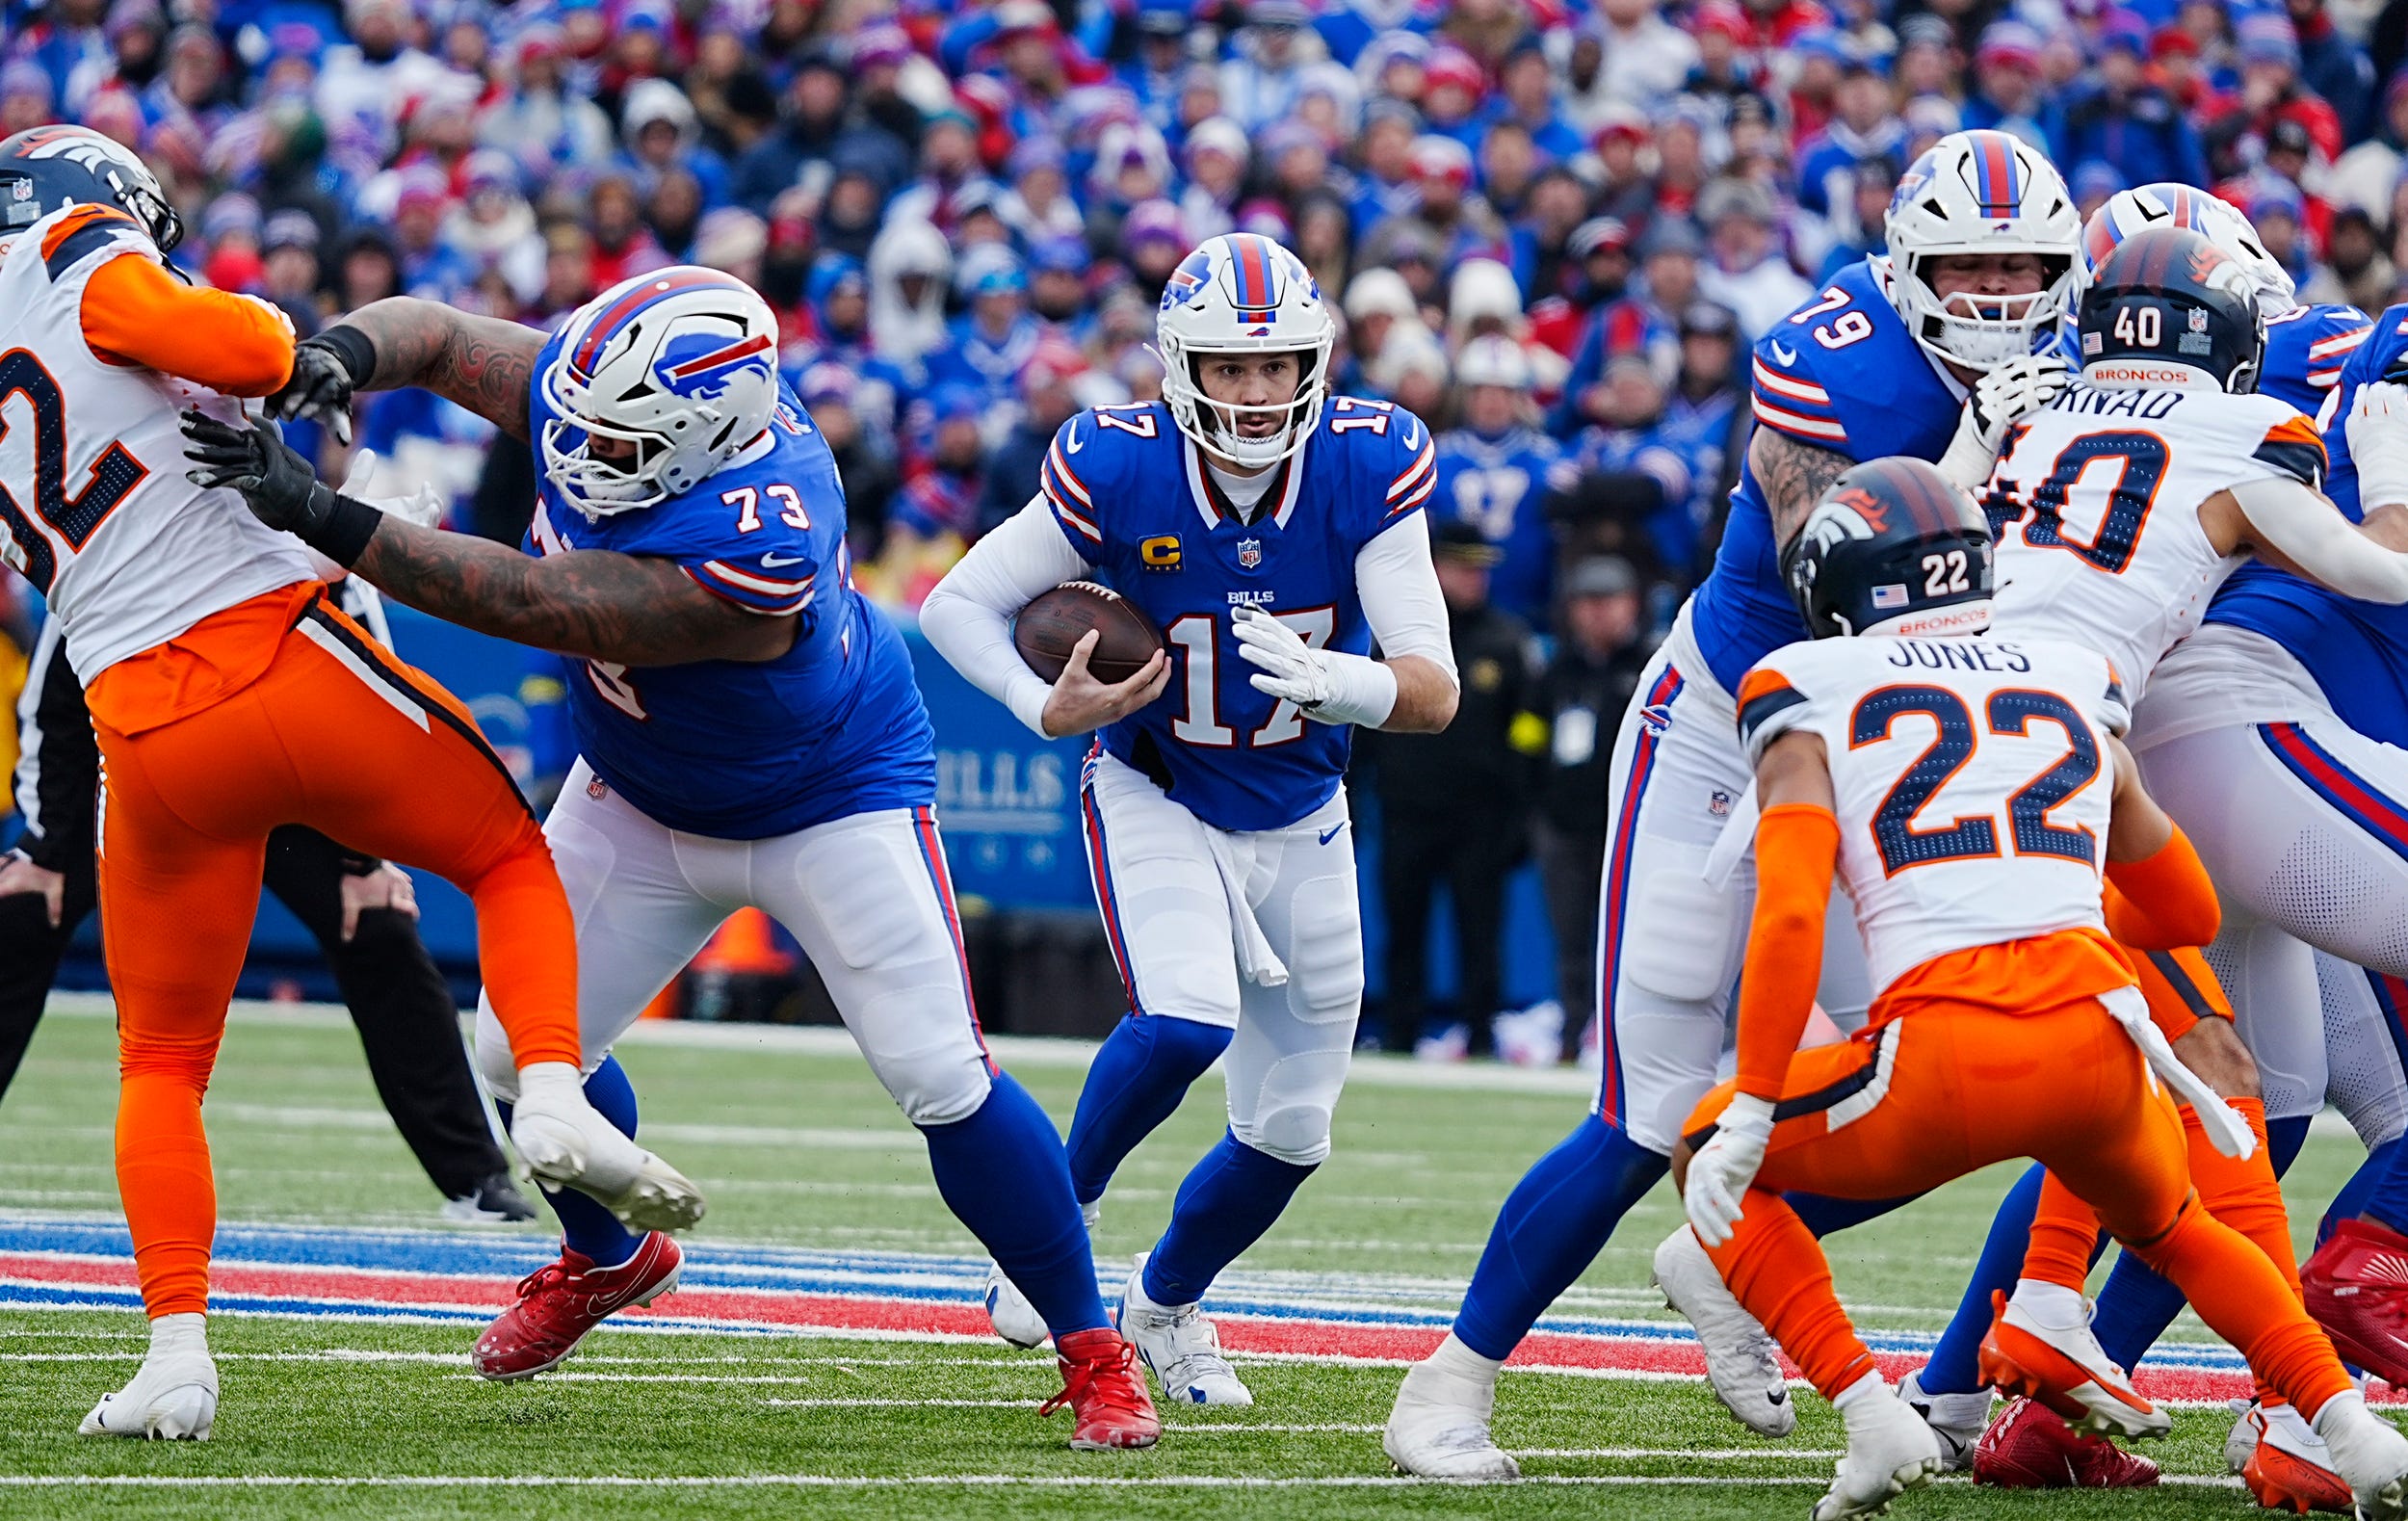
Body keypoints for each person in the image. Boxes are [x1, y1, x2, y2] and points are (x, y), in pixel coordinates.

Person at [187, 262, 1160, 1451]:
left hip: (827, 797)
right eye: (577, 418)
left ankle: (1091, 1345)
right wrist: (338, 351)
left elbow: (544, 602)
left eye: (615, 439)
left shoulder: (763, 532)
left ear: (705, 437)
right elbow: (436, 335)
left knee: (941, 1077)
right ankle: (606, 1256)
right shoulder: (615, 388)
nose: (578, 447)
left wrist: (321, 510)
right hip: (637, 793)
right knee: (515, 1051)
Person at [1384, 129, 2086, 1480]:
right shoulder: (1833, 354)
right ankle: (1447, 1385)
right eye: (1970, 265)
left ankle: (1738, 1252)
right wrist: (1977, 452)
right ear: (1906, 264)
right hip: (1729, 722)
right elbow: (1844, 577)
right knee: (1648, 1104)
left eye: (2023, 267)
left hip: (1888, 749)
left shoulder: (2073, 380)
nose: (1999, 295)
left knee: (1963, 1064)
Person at [0, 124, 686, 1443]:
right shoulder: (78, 256)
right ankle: (548, 1091)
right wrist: (267, 337)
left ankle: (176, 1349)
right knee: (506, 857)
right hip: (270, 653)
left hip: (139, 727)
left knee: (158, 1056)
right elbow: (245, 348)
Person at [1672, 453, 2408, 1521]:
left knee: (1706, 1153)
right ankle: (2346, 1427)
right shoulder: (2072, 673)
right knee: (2180, 1228)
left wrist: (1747, 1097)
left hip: (1937, 1051)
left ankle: (1873, 1409)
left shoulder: (1799, 688)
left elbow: (1788, 913)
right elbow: (2188, 910)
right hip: (2097, 1050)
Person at [919, 232, 1459, 1405]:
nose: (1257, 394)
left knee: (1292, 1132)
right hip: (1155, 783)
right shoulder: (1119, 464)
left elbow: (1433, 684)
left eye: (1276, 369)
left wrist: (1346, 684)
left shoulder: (1368, 462)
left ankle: (1163, 1307)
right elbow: (959, 601)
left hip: (1307, 812)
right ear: (1181, 366)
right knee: (1182, 1021)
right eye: (1230, 368)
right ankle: (1055, 1223)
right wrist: (1039, 704)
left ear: (1315, 362)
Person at [2, 584, 534, 1225]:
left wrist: (362, 861)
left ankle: (477, 1177)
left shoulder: (300, 540)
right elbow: (54, 697)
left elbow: (365, 707)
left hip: (272, 759)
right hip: (142, 765)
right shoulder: (121, 541)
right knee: (28, 906)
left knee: (376, 924)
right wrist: (49, 843)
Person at [1367, 522, 1541, 1060]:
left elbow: (1528, 729)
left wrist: (1518, 812)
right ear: (1435, 569)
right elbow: (1364, 726)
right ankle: (1400, 1034)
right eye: (1463, 568)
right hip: (1406, 810)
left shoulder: (1507, 640)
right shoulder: (1400, 641)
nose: (1475, 580)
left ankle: (1481, 1036)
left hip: (1479, 818)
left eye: (1481, 569)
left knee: (1480, 933)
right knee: (1403, 931)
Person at [1532, 557, 1651, 1066]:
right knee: (1572, 940)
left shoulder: (1649, 668)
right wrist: (1537, 811)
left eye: (1609, 601)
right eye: (1588, 602)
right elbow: (1528, 739)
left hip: (1630, 830)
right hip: (1565, 827)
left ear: (1632, 605)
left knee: (1633, 940)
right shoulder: (1557, 672)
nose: (1598, 613)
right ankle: (1571, 1035)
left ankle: (1626, 1044)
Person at [1431, 334, 1563, 624]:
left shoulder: (1546, 457)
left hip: (1531, 608)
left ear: (1519, 397)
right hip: (1452, 613)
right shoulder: (1436, 456)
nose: (1492, 402)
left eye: (1503, 392)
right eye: (1482, 391)